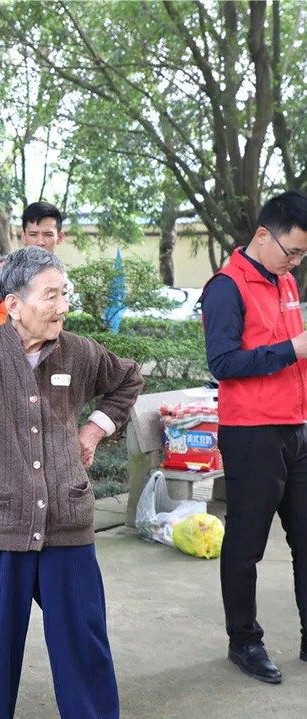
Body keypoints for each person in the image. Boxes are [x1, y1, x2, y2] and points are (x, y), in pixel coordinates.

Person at [0, 246, 142, 718]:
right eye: (50, 295)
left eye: (64, 294)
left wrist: (94, 428)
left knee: (84, 647)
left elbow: (128, 379)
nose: (62, 306)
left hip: (67, 521)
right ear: (14, 305)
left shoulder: (79, 351)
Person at [201, 190, 307, 685]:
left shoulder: (284, 280)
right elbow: (222, 363)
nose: (296, 262)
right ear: (263, 235)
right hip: (252, 434)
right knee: (246, 546)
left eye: (303, 255)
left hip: (297, 429)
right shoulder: (226, 287)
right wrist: (293, 348)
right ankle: (244, 641)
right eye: (293, 252)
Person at [0, 201, 67, 330]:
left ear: (59, 237)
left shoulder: (58, 275)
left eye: (48, 234)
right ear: (24, 237)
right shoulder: (4, 272)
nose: (40, 242)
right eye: (33, 234)